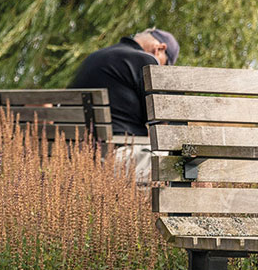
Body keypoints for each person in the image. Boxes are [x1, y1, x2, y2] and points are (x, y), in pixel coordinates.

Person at [69, 28, 180, 179]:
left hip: (74, 153)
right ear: (159, 49)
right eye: (164, 65)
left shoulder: (93, 57)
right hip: (118, 156)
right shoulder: (146, 61)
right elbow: (162, 128)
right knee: (184, 165)